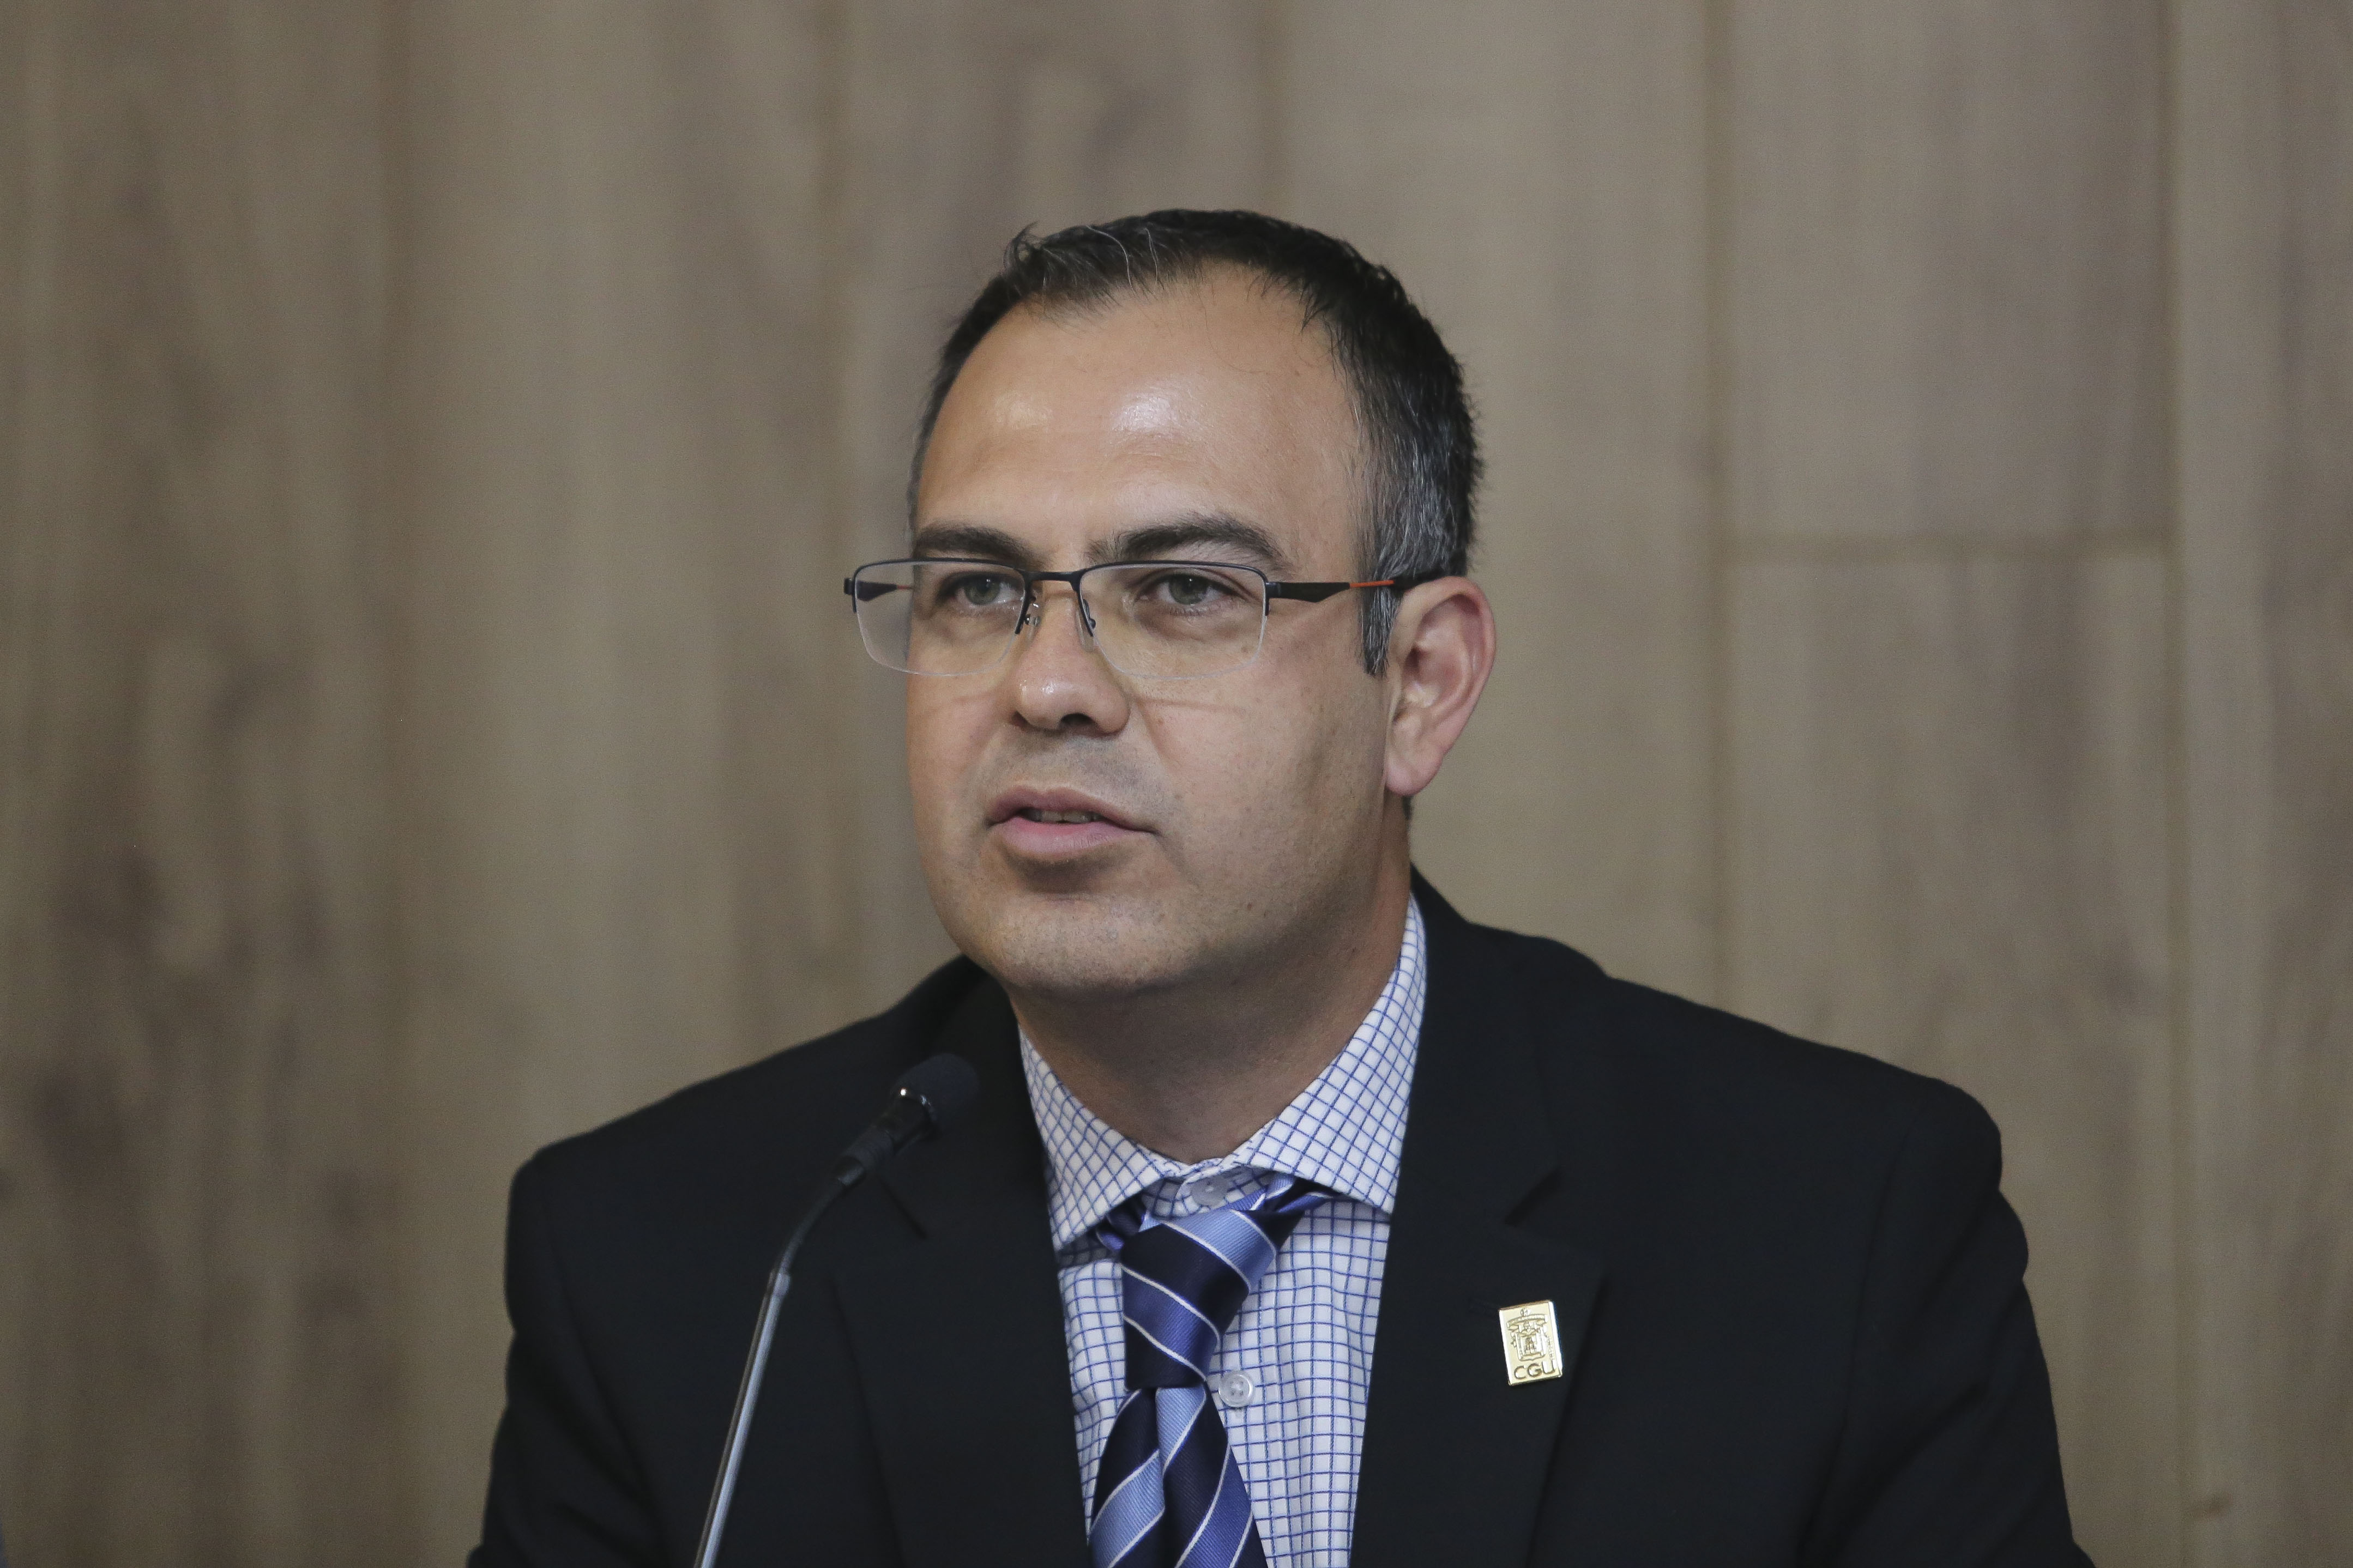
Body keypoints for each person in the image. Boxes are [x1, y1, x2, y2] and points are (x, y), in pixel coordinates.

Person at [470, 210, 2091, 1567]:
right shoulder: (676, 1267)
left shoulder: (1829, 1227)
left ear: (1420, 685)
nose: (1047, 686)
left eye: (1181, 590)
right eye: (976, 589)